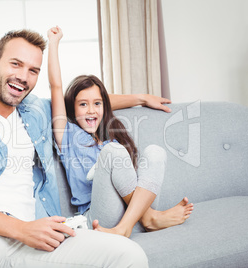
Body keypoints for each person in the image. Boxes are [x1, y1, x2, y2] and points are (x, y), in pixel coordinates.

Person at [0, 28, 172, 268]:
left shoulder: (36, 112)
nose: (23, 76)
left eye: (33, 70)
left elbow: (83, 101)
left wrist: (141, 97)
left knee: (130, 256)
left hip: (37, 238)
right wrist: (21, 229)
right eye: (16, 64)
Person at [48, 26, 193, 238]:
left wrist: (143, 98)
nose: (91, 110)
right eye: (82, 105)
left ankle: (132, 224)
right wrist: (53, 43)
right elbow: (56, 87)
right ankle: (149, 218)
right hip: (99, 216)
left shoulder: (109, 140)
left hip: (128, 213)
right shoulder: (67, 135)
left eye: (96, 104)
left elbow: (101, 102)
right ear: (72, 108)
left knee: (155, 152)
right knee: (114, 152)